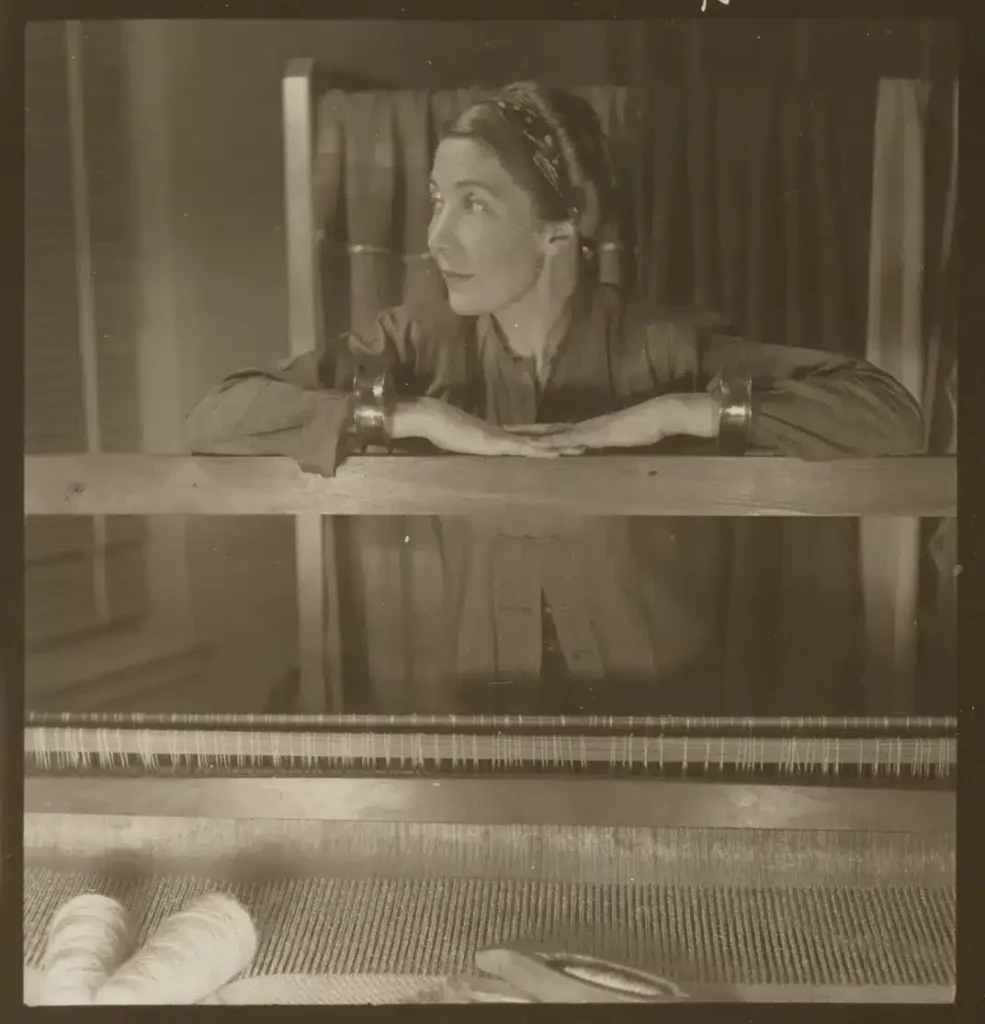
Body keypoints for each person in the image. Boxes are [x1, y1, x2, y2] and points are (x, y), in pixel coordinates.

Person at [186, 81, 924, 717]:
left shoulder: (661, 347)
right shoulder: (415, 344)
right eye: (437, 201)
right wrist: (415, 416)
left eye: (472, 204)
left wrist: (672, 413)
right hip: (476, 720)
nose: (436, 238)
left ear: (560, 224)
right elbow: (216, 416)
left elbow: (888, 414)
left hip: (662, 721)